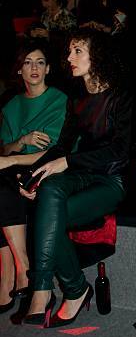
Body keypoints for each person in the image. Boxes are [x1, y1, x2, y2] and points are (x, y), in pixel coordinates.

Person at [16, 29, 132, 327]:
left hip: (111, 180)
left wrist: (67, 162)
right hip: (80, 174)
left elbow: (118, 150)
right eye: (70, 51)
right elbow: (61, 146)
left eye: (77, 51)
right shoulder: (78, 97)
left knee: (49, 213)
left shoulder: (121, 94)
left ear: (98, 56)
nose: (69, 57)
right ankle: (50, 288)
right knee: (48, 188)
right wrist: (32, 177)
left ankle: (66, 289)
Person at [0, 40, 67, 312]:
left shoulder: (58, 100)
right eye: (27, 62)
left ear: (48, 68)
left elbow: (52, 152)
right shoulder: (11, 105)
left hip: (47, 167)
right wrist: (21, 141)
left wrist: (13, 157)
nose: (34, 67)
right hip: (13, 166)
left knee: (2, 185)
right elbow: (4, 146)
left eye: (40, 62)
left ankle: (17, 269)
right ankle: (13, 270)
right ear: (19, 70)